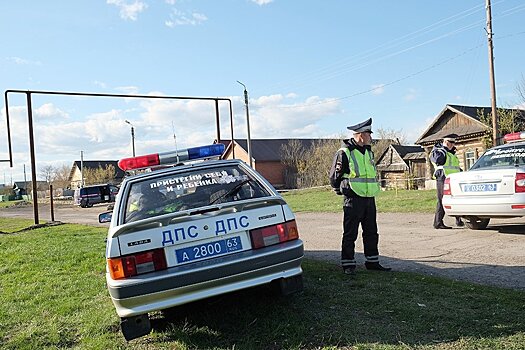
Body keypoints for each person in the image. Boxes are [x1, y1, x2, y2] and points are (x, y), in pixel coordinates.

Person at [329, 117, 391, 276]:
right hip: (353, 198)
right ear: (361, 135)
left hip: (369, 197)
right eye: (369, 133)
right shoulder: (345, 152)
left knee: (371, 231)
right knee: (350, 233)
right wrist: (341, 189)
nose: (371, 136)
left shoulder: (368, 151)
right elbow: (334, 176)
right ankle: (348, 264)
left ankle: (372, 262)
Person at [430, 133, 463, 229]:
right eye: (450, 142)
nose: (452, 144)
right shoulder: (438, 151)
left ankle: (458, 220)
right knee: (442, 200)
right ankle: (438, 223)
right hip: (442, 177)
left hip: (453, 178)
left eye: (453, 142)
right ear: (445, 141)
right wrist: (444, 149)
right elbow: (437, 160)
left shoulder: (451, 153)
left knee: (456, 199)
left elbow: (455, 167)